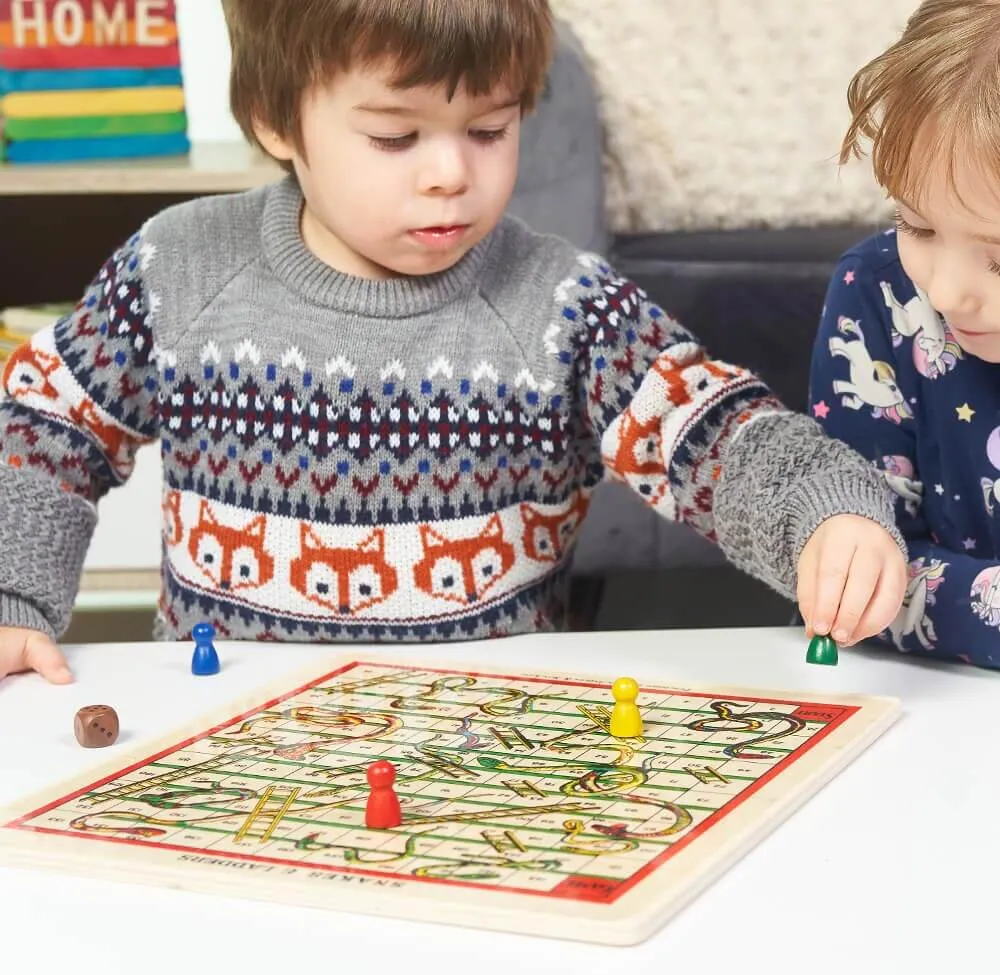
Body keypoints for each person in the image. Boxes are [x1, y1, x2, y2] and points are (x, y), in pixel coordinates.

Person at [0, 0, 905, 685]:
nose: (451, 175)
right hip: (224, 731)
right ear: (278, 122)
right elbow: (43, 429)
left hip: (482, 753)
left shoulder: (563, 306)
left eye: (489, 129)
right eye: (395, 137)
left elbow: (714, 433)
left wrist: (826, 509)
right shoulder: (179, 267)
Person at [810, 0, 1000, 667]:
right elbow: (861, 574)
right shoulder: (878, 294)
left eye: (999, 256)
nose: (946, 293)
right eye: (917, 226)